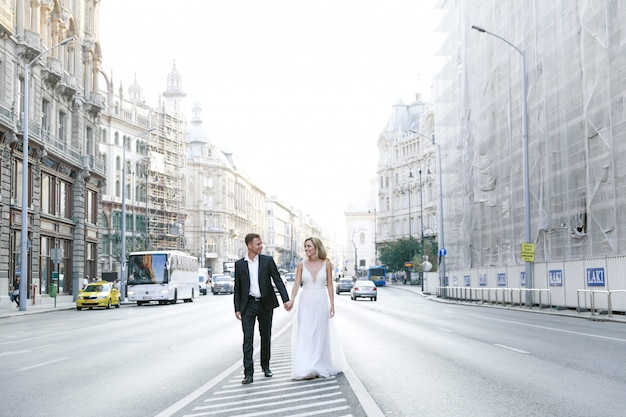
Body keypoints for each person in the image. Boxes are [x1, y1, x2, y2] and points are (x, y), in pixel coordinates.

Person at [284, 237, 346, 380]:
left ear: (316, 247)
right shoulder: (301, 265)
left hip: (320, 300)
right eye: (305, 247)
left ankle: (318, 364)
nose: (306, 249)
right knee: (306, 333)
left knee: (319, 333)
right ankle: (307, 366)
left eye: (309, 246)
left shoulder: (327, 264)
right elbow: (296, 284)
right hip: (305, 301)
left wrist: (332, 304)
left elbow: (330, 284)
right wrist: (292, 300)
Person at [233, 233, 290, 384]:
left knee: (266, 336)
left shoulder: (267, 261)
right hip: (248, 305)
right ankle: (248, 374)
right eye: (258, 244)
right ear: (249, 245)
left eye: (261, 243)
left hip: (265, 304)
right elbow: (237, 288)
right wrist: (237, 308)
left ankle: (266, 366)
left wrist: (286, 300)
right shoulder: (240, 264)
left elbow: (277, 280)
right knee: (248, 338)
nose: (261, 246)